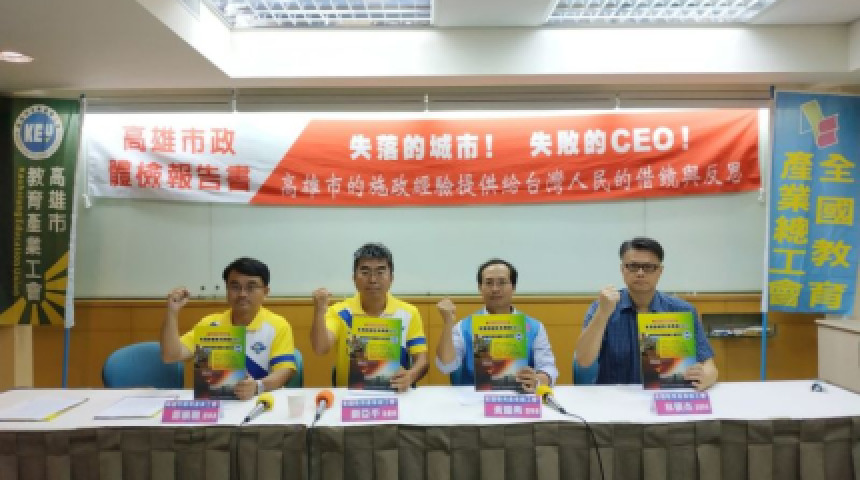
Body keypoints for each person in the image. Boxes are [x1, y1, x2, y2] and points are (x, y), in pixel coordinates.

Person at [573, 237, 718, 390]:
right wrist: (602, 314)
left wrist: (706, 376)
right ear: (622, 270)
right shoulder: (603, 306)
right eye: (633, 266)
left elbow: (710, 367)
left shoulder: (682, 310)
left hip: (664, 396)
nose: (640, 273)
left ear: (660, 271)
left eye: (648, 267)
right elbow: (583, 361)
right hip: (615, 398)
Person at [160, 257, 297, 400]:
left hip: (260, 402)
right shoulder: (210, 324)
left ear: (265, 292)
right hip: (215, 404)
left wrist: (258, 386)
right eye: (235, 287)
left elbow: (285, 370)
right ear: (227, 289)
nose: (242, 294)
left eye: (251, 287)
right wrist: (172, 312)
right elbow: (171, 355)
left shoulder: (277, 325)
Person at [310, 243, 428, 392]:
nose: (373, 279)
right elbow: (320, 348)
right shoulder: (341, 312)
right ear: (354, 278)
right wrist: (319, 312)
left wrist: (411, 375)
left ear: (391, 278)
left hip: (395, 395)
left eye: (380, 272)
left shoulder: (409, 313)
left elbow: (422, 360)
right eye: (365, 272)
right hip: (349, 398)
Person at [435, 258, 558, 392]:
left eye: (502, 282)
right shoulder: (463, 327)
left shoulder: (534, 327)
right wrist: (448, 323)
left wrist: (538, 380)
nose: (495, 289)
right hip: (474, 399)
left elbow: (548, 367)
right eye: (489, 283)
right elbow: (446, 366)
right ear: (480, 288)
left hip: (519, 396)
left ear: (513, 287)